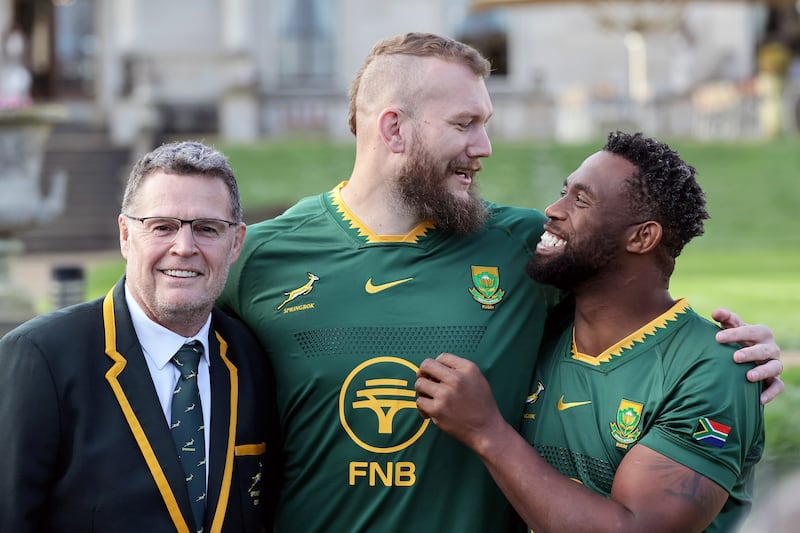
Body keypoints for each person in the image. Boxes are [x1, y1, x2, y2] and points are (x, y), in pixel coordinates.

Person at [217, 33, 781, 532]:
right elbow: (157, 353)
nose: (483, 147)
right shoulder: (259, 255)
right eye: (465, 124)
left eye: (485, 125)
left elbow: (633, 298)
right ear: (393, 128)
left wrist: (735, 354)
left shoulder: (525, 244)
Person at [415, 132, 765, 532]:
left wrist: (487, 432)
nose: (553, 209)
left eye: (580, 200)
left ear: (641, 237)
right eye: (564, 192)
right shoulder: (540, 330)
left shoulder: (711, 369)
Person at [0, 141, 280, 532]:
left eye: (207, 229)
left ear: (235, 243)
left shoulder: (252, 357)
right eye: (162, 227)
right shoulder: (40, 359)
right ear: (126, 235)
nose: (184, 248)